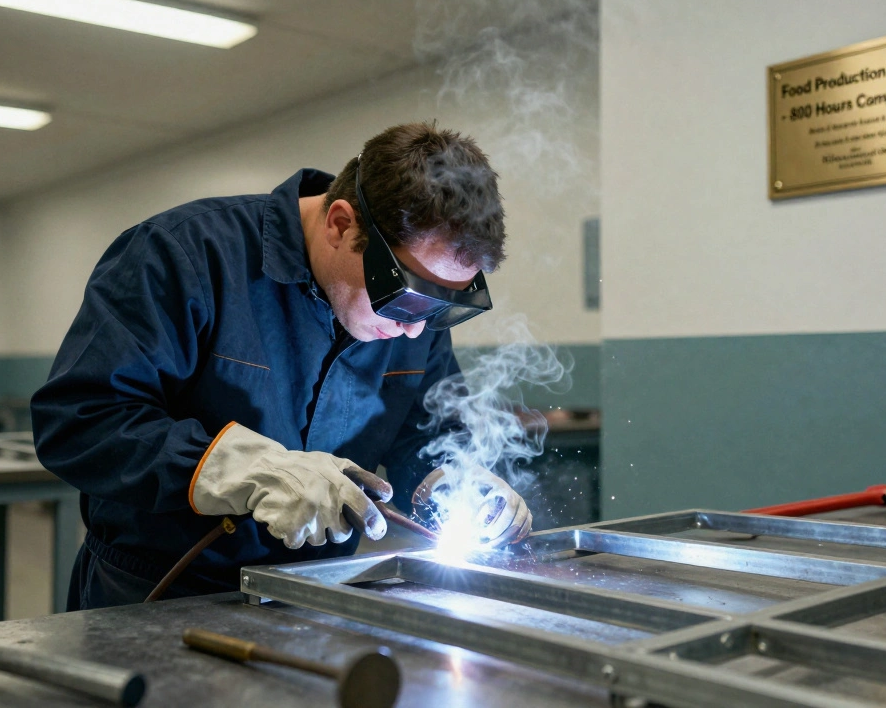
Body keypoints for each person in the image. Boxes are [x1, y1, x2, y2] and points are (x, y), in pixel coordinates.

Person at [32, 123, 533, 610]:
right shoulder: (184, 253)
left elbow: (425, 434)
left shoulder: (414, 321)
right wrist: (241, 469)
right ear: (340, 224)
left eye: (440, 309)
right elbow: (81, 420)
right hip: (160, 590)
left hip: (319, 589)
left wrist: (452, 481)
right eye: (403, 300)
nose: (415, 331)